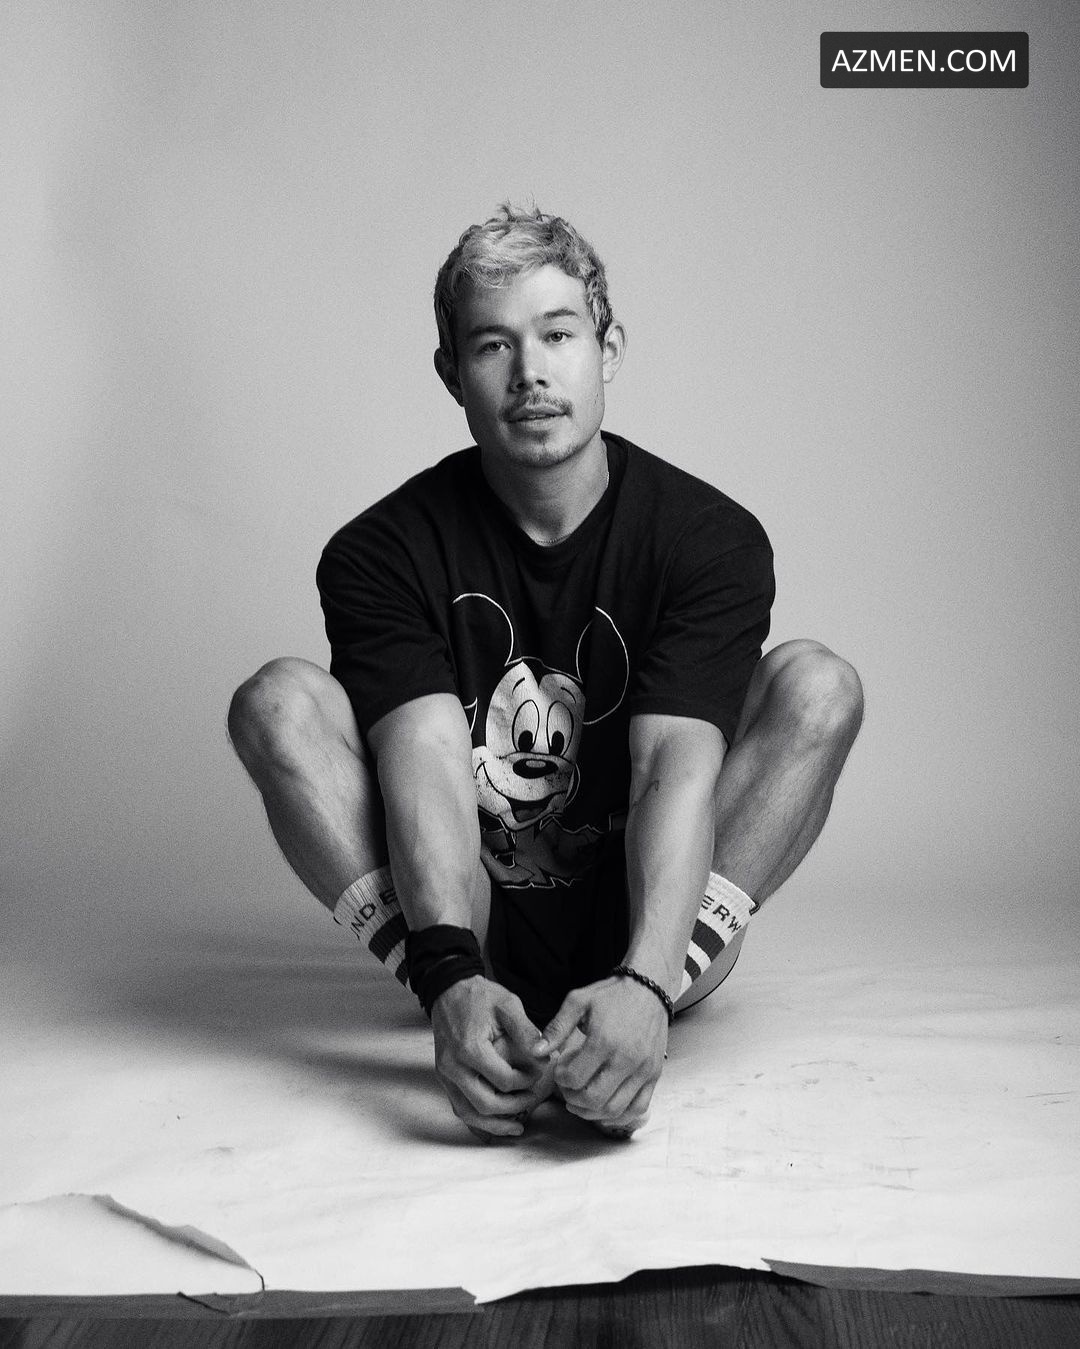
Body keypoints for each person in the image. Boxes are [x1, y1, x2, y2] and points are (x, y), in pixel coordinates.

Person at [228, 204, 863, 1142]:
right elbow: (425, 763)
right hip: (471, 916)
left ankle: (638, 1011)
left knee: (820, 685)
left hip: (657, 921)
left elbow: (673, 769)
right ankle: (464, 1006)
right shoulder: (380, 551)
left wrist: (646, 980)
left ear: (608, 350)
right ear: (452, 371)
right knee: (276, 701)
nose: (530, 372)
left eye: (558, 335)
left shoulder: (708, 539)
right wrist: (451, 975)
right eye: (493, 344)